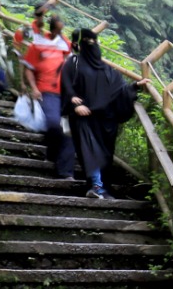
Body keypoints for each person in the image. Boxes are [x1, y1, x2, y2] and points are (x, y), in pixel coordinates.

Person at [61, 29, 146, 199]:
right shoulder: (73, 63)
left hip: (106, 121)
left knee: (105, 155)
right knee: (89, 151)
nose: (91, 44)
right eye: (87, 41)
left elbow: (119, 90)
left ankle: (103, 188)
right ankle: (96, 186)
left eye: (94, 41)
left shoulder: (107, 69)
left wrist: (135, 86)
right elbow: (66, 87)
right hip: (83, 118)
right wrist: (73, 105)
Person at [21, 13, 75, 179]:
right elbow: (28, 68)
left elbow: (72, 57)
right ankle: (52, 153)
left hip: (66, 93)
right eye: (57, 29)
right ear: (50, 28)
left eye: (62, 30)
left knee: (69, 130)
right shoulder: (37, 44)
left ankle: (65, 172)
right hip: (46, 91)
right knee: (53, 124)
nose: (60, 33)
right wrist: (33, 88)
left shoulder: (64, 43)